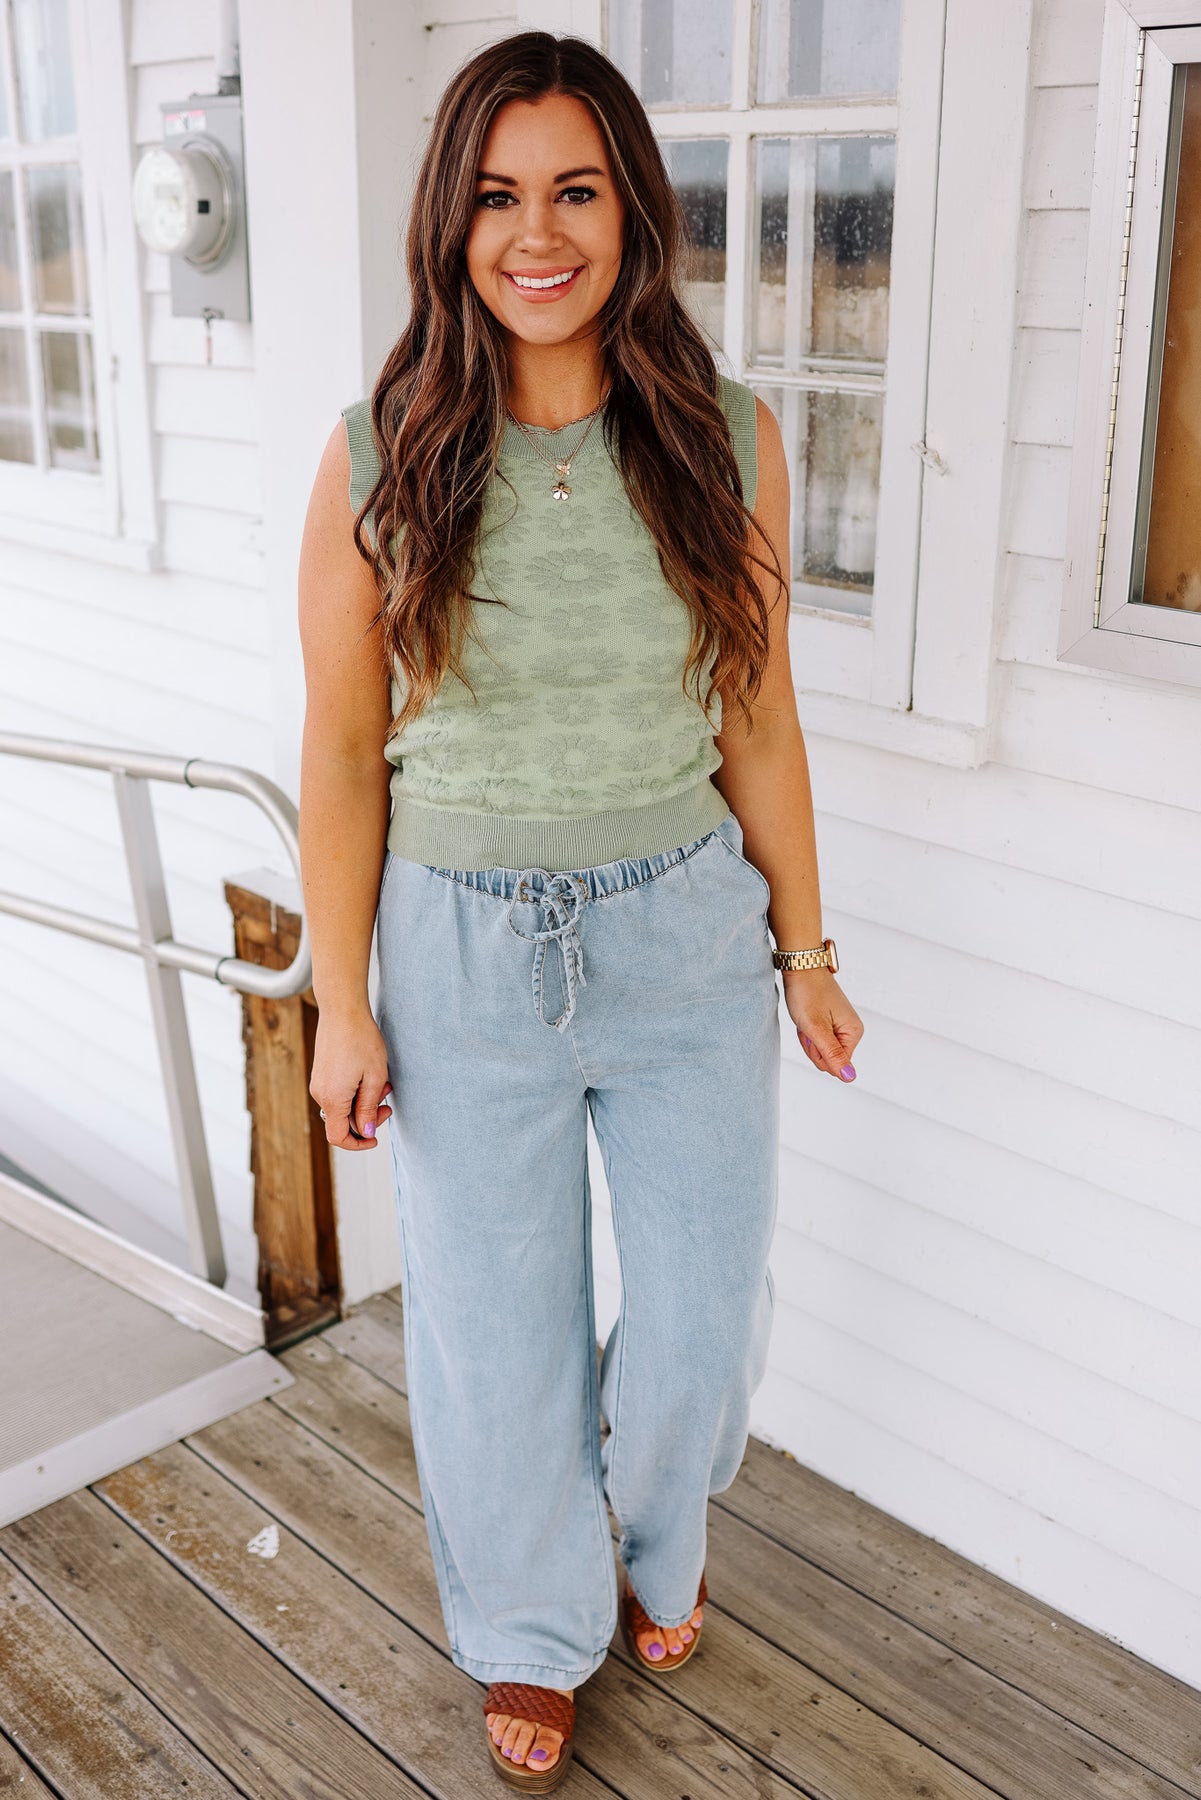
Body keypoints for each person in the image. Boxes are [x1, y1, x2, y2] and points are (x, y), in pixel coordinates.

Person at [297, 28, 864, 1792]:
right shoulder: (378, 451)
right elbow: (340, 752)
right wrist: (340, 999)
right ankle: (532, 1627)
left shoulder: (728, 438)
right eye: (494, 197)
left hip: (684, 932)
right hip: (459, 952)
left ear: (632, 213)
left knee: (699, 1318)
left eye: (573, 192)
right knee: (492, 1338)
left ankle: (645, 1535)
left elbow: (758, 712)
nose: (533, 235)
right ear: (448, 222)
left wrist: (806, 949)